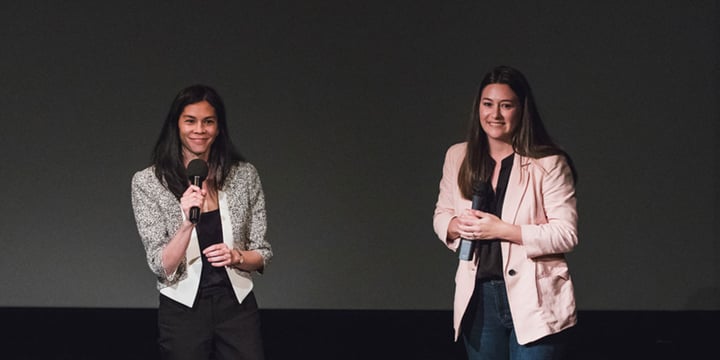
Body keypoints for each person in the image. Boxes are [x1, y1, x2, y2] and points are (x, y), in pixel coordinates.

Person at [433, 65, 578, 360]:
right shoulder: (457, 156)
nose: (495, 114)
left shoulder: (548, 162)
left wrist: (501, 230)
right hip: (479, 299)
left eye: (506, 105)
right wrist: (455, 225)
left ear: (521, 110)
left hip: (534, 298)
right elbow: (441, 214)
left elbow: (566, 234)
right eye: (488, 104)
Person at [131, 84, 273, 360]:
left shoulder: (243, 176)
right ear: (176, 126)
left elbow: (262, 253)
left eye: (208, 121)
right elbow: (161, 265)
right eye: (190, 121)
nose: (199, 130)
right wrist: (186, 223)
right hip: (183, 308)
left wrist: (236, 255)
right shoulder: (149, 182)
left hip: (236, 306)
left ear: (218, 128)